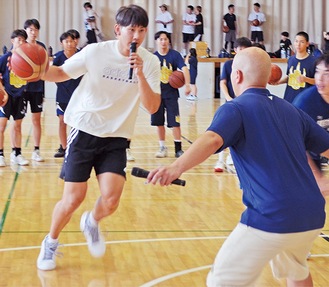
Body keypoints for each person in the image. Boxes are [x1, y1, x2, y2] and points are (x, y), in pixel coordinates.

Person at [147, 46, 329, 287]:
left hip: (271, 214)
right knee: (295, 270)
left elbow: (212, 139)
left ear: (237, 76)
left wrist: (176, 167)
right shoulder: (292, 110)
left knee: (220, 281)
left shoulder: (236, 108)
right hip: (312, 215)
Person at [36, 4, 161, 271]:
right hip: (84, 129)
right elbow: (60, 73)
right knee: (73, 199)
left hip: (117, 136)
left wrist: (139, 74)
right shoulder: (95, 52)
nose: (136, 36)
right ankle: (50, 241)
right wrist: (36, 70)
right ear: (118, 30)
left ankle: (91, 222)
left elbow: (152, 107)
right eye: (131, 30)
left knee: (112, 199)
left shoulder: (149, 62)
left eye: (141, 30)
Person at [214, 37, 251, 173]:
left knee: (240, 133)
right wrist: (228, 97)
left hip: (245, 104)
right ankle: (220, 159)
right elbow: (222, 82)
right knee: (224, 131)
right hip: (231, 103)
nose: (242, 52)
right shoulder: (229, 64)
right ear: (235, 50)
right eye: (240, 49)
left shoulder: (250, 65)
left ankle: (232, 157)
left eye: (245, 50)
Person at [152, 31, 190, 158]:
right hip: (157, 94)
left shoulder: (175, 55)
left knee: (175, 122)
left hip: (171, 94)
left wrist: (188, 85)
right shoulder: (153, 57)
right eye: (161, 39)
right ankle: (162, 147)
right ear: (157, 41)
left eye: (165, 39)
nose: (163, 41)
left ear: (169, 41)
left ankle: (178, 149)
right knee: (159, 122)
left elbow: (184, 68)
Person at [293, 53, 329, 168]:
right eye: (317, 71)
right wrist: (316, 175)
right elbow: (293, 142)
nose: (319, 78)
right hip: (301, 156)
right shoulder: (304, 102)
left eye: (326, 73)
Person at [0, 29, 28, 167]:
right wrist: (2, 91)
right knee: (2, 125)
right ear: (12, 41)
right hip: (6, 97)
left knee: (17, 126)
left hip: (20, 95)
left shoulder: (26, 60)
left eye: (23, 40)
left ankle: (16, 153)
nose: (21, 42)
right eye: (19, 40)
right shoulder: (5, 58)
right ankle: (0, 154)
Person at [52, 31, 82, 158]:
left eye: (71, 41)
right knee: (62, 121)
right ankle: (63, 147)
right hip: (63, 95)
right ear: (62, 43)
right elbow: (53, 74)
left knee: (77, 123)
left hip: (79, 95)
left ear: (75, 41)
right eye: (66, 41)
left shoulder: (81, 56)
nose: (69, 44)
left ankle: (76, 147)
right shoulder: (58, 57)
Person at [22, 18, 46, 163]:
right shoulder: (21, 47)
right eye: (31, 29)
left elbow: (45, 68)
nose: (33, 32)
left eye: (36, 29)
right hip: (22, 89)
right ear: (26, 31)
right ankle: (15, 152)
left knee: (36, 120)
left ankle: (36, 150)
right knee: (17, 121)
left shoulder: (41, 47)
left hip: (37, 88)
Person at [275, 31, 316, 103]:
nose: (298, 44)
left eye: (302, 42)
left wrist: (306, 79)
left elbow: (317, 81)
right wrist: (278, 82)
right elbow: (290, 77)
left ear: (307, 44)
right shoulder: (291, 59)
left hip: (304, 101)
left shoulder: (314, 61)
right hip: (289, 98)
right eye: (296, 41)